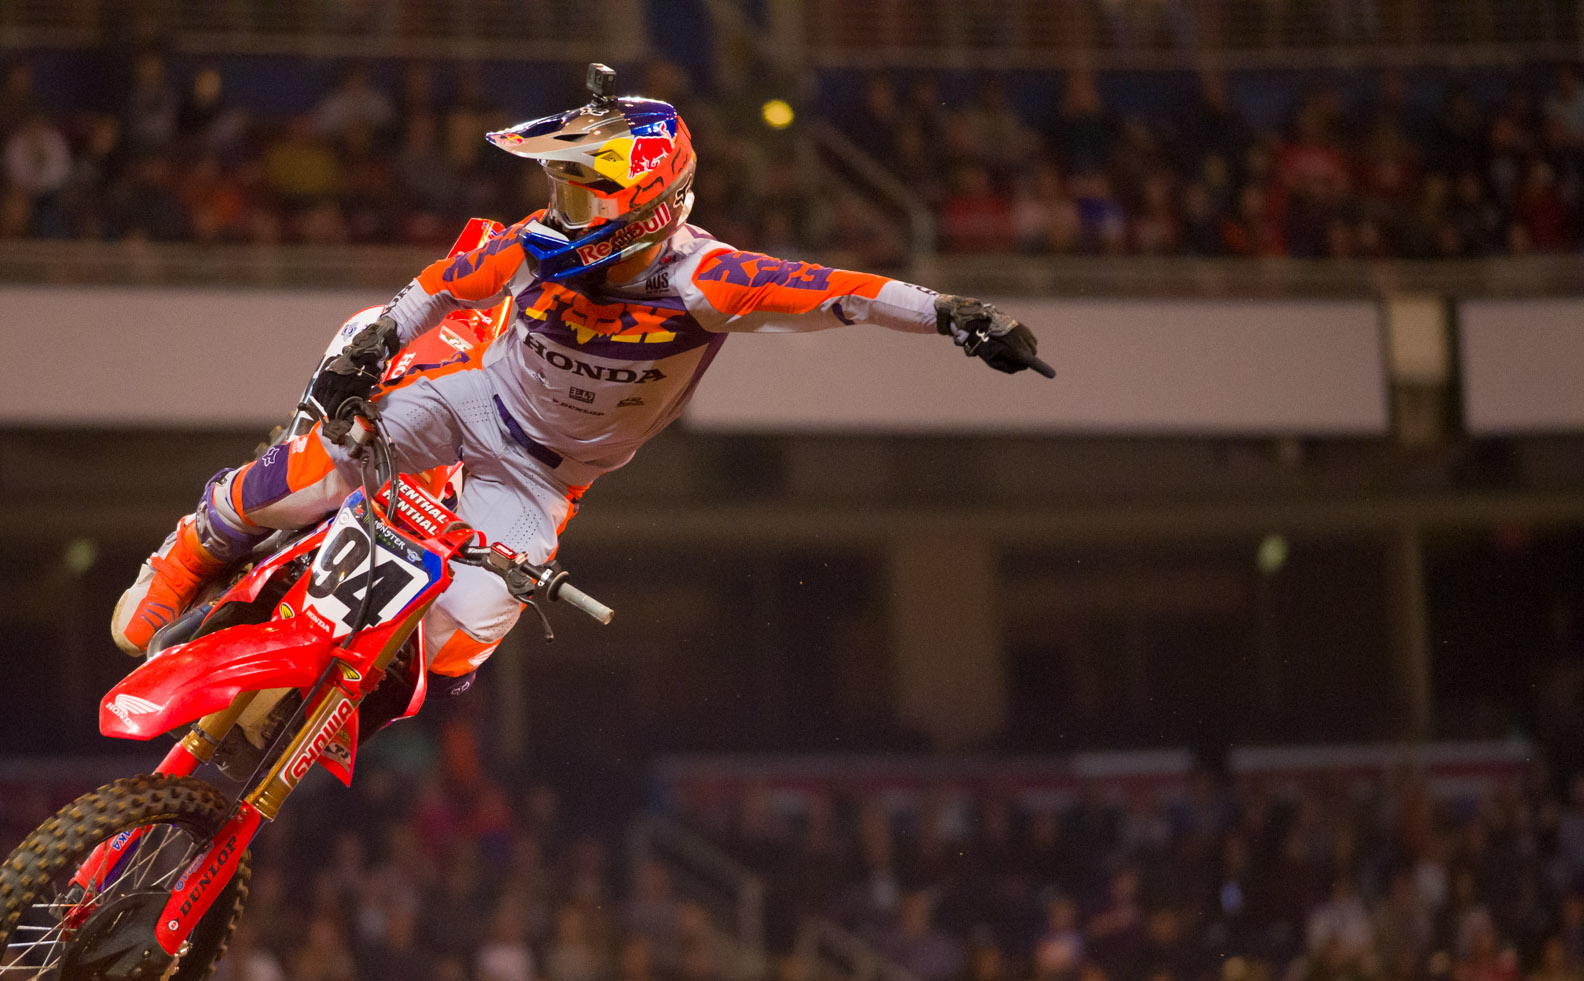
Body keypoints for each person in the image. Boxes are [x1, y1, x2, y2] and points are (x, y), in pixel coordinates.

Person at [111, 64, 1044, 675]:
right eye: (559, 187)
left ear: (649, 205)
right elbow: (437, 287)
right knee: (315, 465)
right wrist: (373, 347)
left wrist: (956, 315)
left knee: (455, 647)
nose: (561, 210)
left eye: (583, 195)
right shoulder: (532, 242)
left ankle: (334, 683)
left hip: (543, 481)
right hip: (473, 397)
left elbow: (843, 290)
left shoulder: (709, 280)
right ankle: (191, 551)